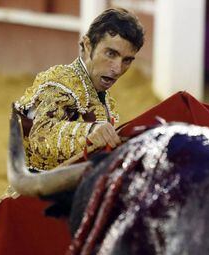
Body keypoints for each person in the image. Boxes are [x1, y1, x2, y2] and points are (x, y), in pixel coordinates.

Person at [14, 8, 144, 171]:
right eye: (110, 53)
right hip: (39, 190)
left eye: (127, 60)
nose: (117, 69)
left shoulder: (99, 94)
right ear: (89, 46)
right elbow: (39, 135)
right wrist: (89, 131)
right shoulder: (59, 82)